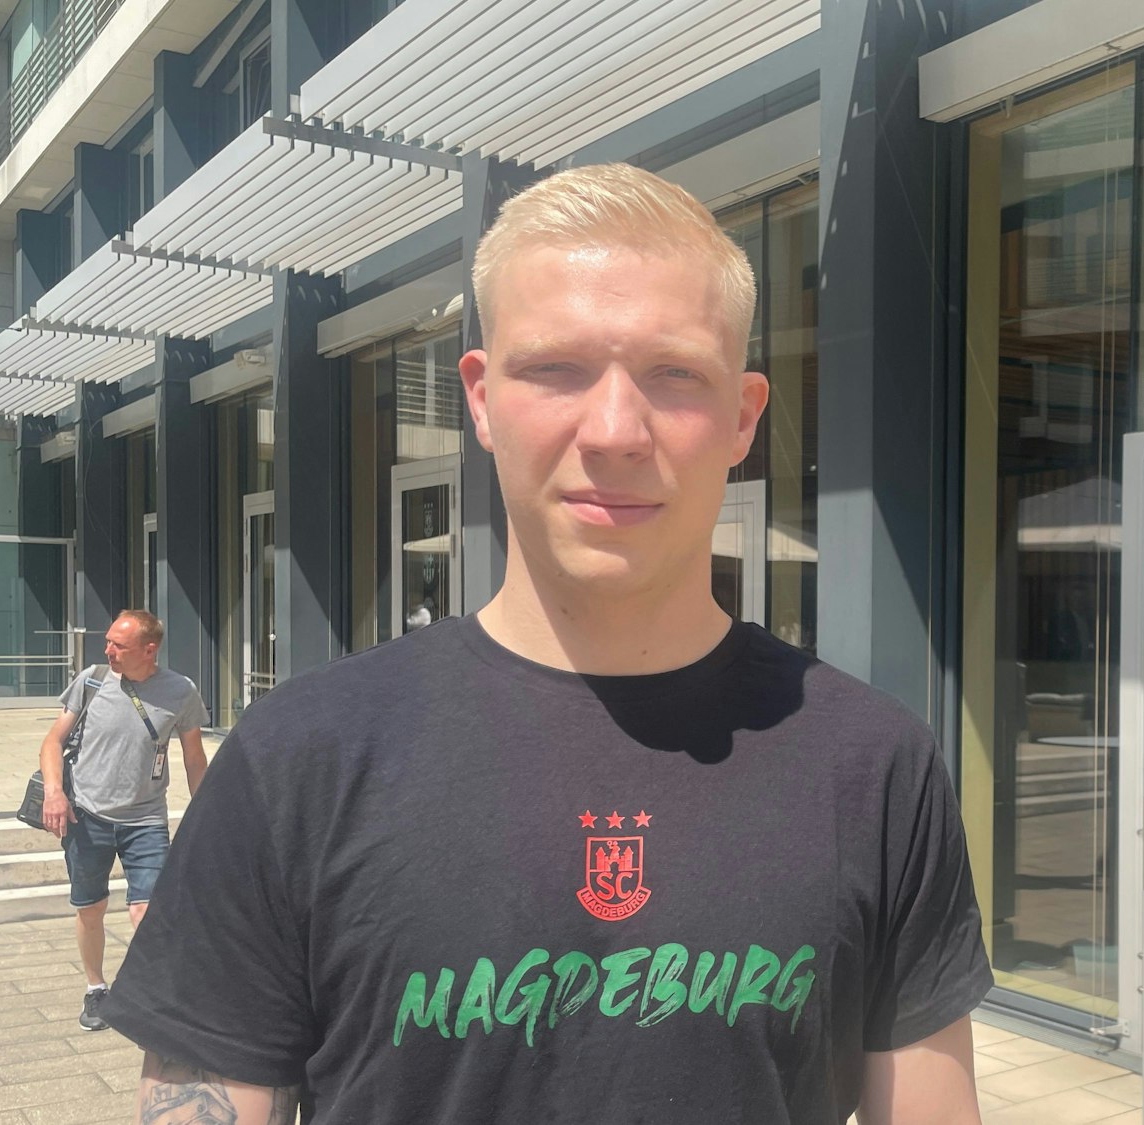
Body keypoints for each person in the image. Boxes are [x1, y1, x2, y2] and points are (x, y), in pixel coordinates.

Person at [103, 164, 993, 1124]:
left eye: (675, 373)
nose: (614, 429)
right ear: (481, 400)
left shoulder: (873, 766)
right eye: (556, 368)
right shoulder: (298, 762)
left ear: (742, 417)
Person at [35, 609, 209, 1033]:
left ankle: (154, 992)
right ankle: (96, 988)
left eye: (118, 644)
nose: (108, 650)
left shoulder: (180, 691)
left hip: (146, 819)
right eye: (109, 640)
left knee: (147, 911)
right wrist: (55, 793)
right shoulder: (92, 680)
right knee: (91, 907)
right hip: (87, 815)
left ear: (149, 650)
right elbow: (52, 742)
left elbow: (193, 756)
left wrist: (206, 810)